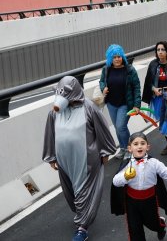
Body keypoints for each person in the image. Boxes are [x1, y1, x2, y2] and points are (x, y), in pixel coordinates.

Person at [43, 76, 117, 241]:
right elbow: (50, 134)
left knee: (84, 191)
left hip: (86, 161)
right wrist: (51, 157)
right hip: (64, 161)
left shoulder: (89, 108)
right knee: (71, 192)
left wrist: (105, 152)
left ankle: (82, 228)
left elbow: (102, 129)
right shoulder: (54, 114)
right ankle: (83, 213)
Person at [112, 132, 167, 241]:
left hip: (149, 200)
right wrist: (125, 177)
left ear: (147, 147)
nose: (139, 146)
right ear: (129, 148)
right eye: (135, 144)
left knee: (153, 223)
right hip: (132, 202)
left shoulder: (154, 163)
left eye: (142, 143)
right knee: (135, 229)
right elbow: (115, 182)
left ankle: (160, 225)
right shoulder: (127, 165)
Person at [99, 44, 141, 159]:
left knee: (121, 126)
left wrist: (137, 105)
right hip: (111, 103)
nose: (117, 59)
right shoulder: (106, 69)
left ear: (122, 56)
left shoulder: (129, 70)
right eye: (114, 57)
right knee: (118, 128)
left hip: (125, 104)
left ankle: (129, 148)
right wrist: (103, 88)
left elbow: (136, 87)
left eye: (119, 56)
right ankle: (123, 149)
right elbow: (102, 81)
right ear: (110, 58)